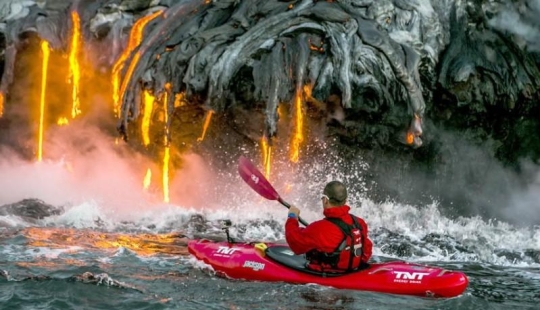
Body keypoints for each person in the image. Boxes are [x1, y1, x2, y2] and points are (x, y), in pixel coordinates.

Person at [285, 181, 373, 273]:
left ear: (325, 200)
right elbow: (366, 251)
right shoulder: (359, 223)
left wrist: (292, 217)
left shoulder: (319, 229)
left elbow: (295, 242)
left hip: (326, 277)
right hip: (352, 271)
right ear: (345, 201)